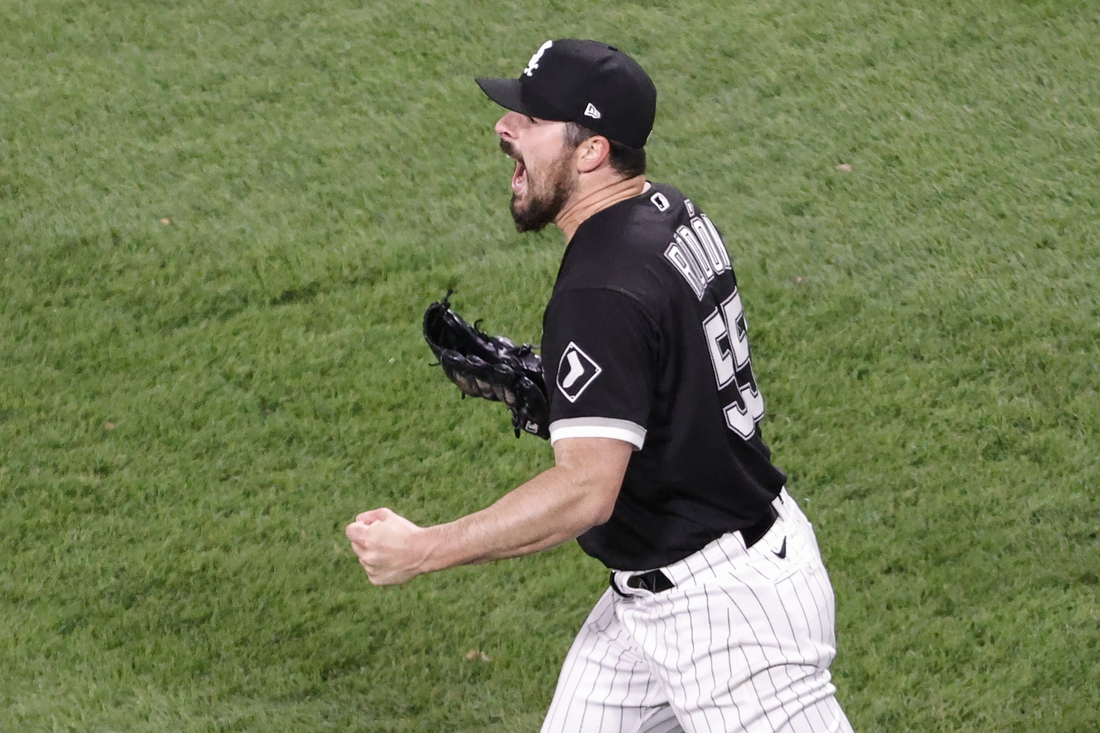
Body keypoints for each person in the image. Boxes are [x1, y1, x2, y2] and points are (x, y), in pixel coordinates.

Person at [346, 39, 854, 733]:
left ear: (591, 151)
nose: (505, 128)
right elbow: (672, 371)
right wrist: (569, 395)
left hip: (730, 619)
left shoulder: (600, 289)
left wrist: (423, 547)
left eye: (531, 118)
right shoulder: (669, 211)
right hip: (665, 588)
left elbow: (586, 490)